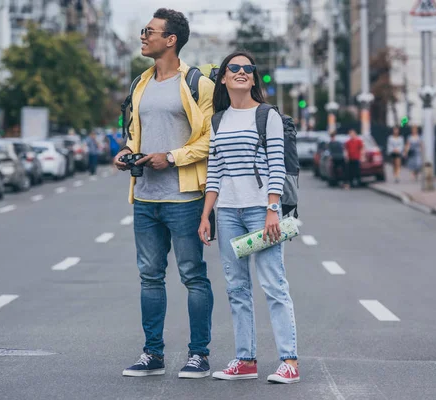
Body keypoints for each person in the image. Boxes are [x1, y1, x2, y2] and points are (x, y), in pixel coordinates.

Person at [113, 8, 215, 379]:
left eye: (150, 31)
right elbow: (134, 133)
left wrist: (171, 157)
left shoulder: (197, 84)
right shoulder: (140, 83)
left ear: (171, 40)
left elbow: (209, 140)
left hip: (184, 198)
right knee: (150, 277)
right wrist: (127, 152)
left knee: (193, 276)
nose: (143, 36)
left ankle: (198, 355)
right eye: (143, 30)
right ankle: (152, 354)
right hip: (145, 197)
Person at [198, 51, 300, 384]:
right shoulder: (218, 120)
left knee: (273, 283)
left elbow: (276, 164)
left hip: (260, 211)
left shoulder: (266, 115)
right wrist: (206, 215)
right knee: (236, 288)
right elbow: (215, 170)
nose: (242, 72)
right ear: (223, 78)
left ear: (253, 78)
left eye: (248, 69)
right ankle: (246, 360)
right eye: (235, 68)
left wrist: (273, 209)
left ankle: (289, 360)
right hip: (227, 212)